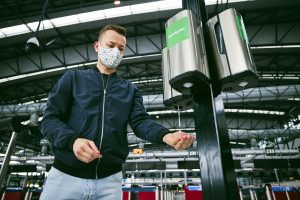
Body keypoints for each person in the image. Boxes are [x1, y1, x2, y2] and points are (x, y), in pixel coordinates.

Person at [40, 24, 195, 200]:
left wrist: (166, 136)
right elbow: (49, 120)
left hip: (109, 183)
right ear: (97, 46)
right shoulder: (73, 78)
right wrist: (72, 141)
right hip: (65, 178)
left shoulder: (129, 90)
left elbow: (140, 122)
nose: (116, 51)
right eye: (110, 45)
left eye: (121, 48)